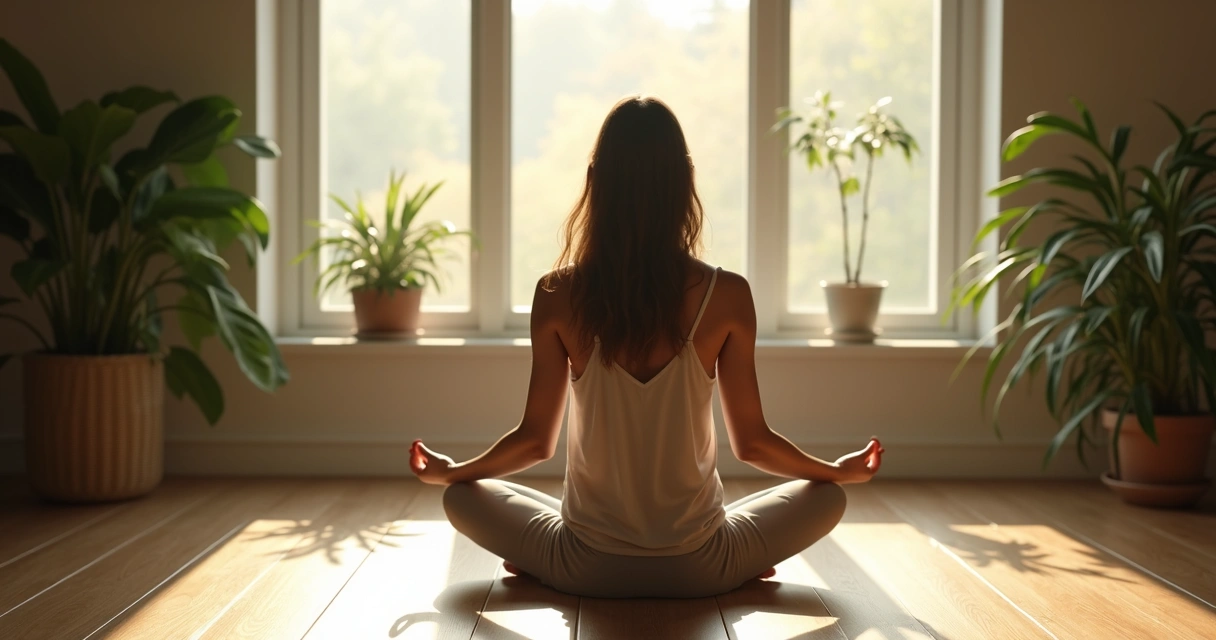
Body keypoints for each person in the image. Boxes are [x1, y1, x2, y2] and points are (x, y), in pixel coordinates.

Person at [409, 96, 884, 599]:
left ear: (595, 182)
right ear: (685, 185)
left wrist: (454, 472)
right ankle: (745, 564)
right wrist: (835, 471)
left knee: (462, 498)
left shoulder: (556, 294)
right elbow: (753, 444)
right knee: (828, 498)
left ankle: (540, 563)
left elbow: (533, 442)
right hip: (703, 566)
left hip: (583, 566)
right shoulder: (727, 295)